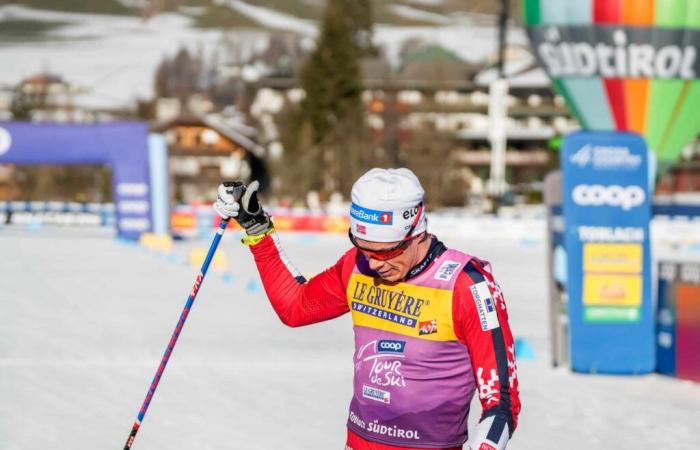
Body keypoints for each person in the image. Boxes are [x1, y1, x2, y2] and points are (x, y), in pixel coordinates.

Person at [214, 168, 521, 450]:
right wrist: (257, 228)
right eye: (364, 248)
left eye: (387, 252)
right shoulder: (357, 266)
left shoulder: (467, 285)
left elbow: (501, 401)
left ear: (417, 230)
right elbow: (295, 306)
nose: (375, 263)